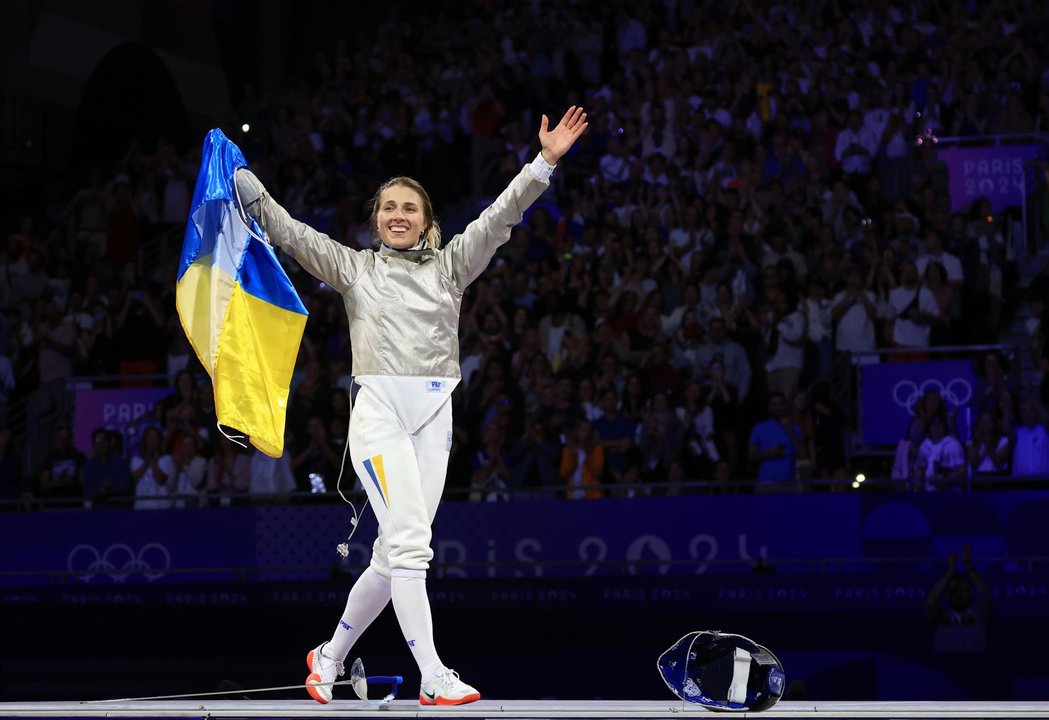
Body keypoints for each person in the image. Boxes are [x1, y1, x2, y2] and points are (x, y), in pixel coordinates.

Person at [235, 106, 587, 706]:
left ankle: (329, 656)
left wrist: (544, 161)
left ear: (427, 221)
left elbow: (502, 217)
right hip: (379, 417)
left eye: (409, 207)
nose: (398, 215)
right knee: (411, 549)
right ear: (375, 221)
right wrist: (249, 188)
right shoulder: (356, 270)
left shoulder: (451, 267)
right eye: (388, 207)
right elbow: (292, 234)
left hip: (434, 416)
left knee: (392, 550)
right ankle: (433, 674)